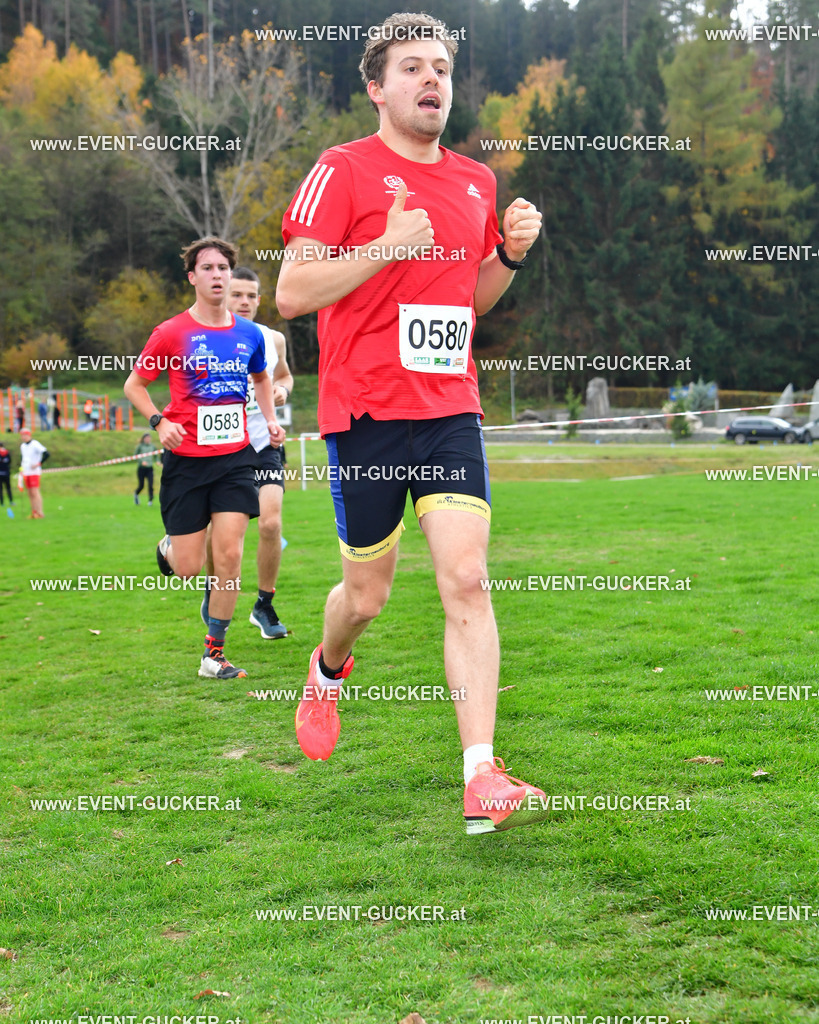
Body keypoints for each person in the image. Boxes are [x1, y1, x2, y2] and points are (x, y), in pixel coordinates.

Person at [276, 11, 546, 836]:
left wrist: (506, 256)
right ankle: (327, 670)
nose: (432, 80)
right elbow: (292, 293)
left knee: (466, 578)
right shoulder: (341, 169)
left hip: (448, 409)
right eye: (412, 68)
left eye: (442, 68)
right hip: (363, 413)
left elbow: (469, 301)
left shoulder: (474, 181)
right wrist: (389, 245)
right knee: (366, 595)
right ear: (376, 87)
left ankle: (480, 774)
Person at [124, 236, 285, 680]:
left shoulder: (250, 334)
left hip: (235, 460)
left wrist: (270, 420)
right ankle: (170, 547)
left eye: (223, 268)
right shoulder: (171, 332)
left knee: (229, 555)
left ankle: (214, 654)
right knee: (190, 567)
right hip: (187, 461)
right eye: (208, 268)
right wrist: (159, 422)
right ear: (192, 277)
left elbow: (262, 378)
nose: (217, 275)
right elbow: (134, 385)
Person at [201, 267, 294, 639]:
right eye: (236, 294)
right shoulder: (204, 337)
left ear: (259, 300)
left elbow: (284, 375)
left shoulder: (273, 339)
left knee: (270, 523)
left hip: (264, 443)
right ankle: (214, 590)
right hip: (222, 446)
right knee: (219, 530)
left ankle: (264, 605)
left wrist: (282, 390)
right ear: (223, 296)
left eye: (251, 296)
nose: (244, 302)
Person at [19, 427, 48, 518]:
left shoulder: (35, 444)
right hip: (26, 472)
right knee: (29, 492)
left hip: (34, 472)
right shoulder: (22, 446)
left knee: (35, 492)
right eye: (22, 435)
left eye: (25, 435)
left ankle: (40, 512)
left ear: (29, 435)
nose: (24, 437)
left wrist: (38, 464)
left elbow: (46, 454)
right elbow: (23, 458)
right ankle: (34, 512)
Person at [134, 432, 157, 506]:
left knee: (150, 484)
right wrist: (141, 461)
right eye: (147, 438)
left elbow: (156, 455)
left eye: (149, 438)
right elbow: (135, 455)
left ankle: (150, 500)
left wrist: (158, 461)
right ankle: (136, 494)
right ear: (144, 439)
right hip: (141, 468)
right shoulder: (140, 446)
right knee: (141, 485)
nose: (148, 439)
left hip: (150, 468)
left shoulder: (152, 446)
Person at [0, 440, 12, 507]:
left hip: (6, 473)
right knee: (0, 489)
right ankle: (2, 503)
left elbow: (9, 461)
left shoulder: (7, 453)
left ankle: (11, 501)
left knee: (8, 488)